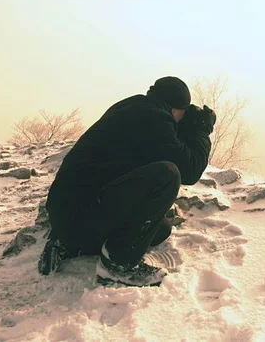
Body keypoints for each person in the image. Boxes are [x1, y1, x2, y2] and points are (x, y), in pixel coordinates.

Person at [38, 76, 216, 286]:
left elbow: (162, 145)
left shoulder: (133, 108)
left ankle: (69, 245)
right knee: (168, 175)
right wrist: (202, 130)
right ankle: (117, 265)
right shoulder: (154, 120)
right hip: (80, 217)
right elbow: (190, 171)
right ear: (175, 109)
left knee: (160, 229)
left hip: (65, 216)